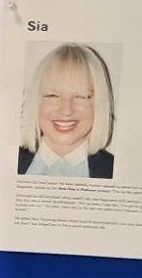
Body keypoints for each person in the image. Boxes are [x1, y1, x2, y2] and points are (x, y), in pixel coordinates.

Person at [17, 42, 115, 179]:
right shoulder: (5, 161)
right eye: (53, 95)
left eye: (80, 96)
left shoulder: (113, 170)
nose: (67, 111)